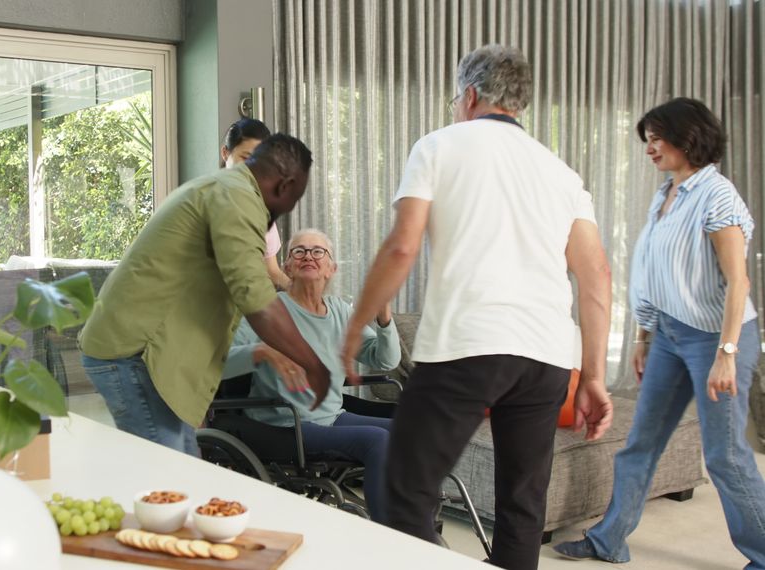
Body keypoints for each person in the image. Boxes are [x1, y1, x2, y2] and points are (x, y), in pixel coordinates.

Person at [340, 44, 614, 570]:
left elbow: (402, 247)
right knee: (522, 507)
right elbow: (596, 275)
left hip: (469, 347)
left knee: (406, 490)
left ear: (468, 95)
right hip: (549, 358)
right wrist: (595, 376)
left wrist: (355, 327)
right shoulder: (561, 173)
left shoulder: (439, 146)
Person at [553, 99, 765, 568]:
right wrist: (644, 335)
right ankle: (610, 539)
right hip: (669, 336)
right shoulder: (666, 193)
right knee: (640, 442)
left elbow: (739, 282)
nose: (649, 149)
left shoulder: (718, 195)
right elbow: (653, 269)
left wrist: (727, 353)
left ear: (687, 137)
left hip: (716, 337)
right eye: (646, 140)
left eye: (656, 138)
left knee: (726, 455)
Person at [79, 134, 331, 456]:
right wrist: (314, 364)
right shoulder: (237, 198)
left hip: (147, 356)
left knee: (186, 475)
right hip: (135, 354)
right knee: (170, 480)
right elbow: (254, 295)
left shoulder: (225, 189)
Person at [222, 228, 400, 523]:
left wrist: (384, 317)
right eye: (299, 251)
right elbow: (220, 364)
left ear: (331, 268)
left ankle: (412, 517)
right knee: (376, 440)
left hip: (331, 416)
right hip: (282, 424)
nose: (309, 256)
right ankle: (392, 537)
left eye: (318, 251)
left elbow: (385, 359)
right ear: (287, 267)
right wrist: (262, 351)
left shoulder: (341, 312)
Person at [221, 118, 292, 290]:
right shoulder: (207, 199)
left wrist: (310, 299)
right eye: (245, 158)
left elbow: (272, 271)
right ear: (225, 153)